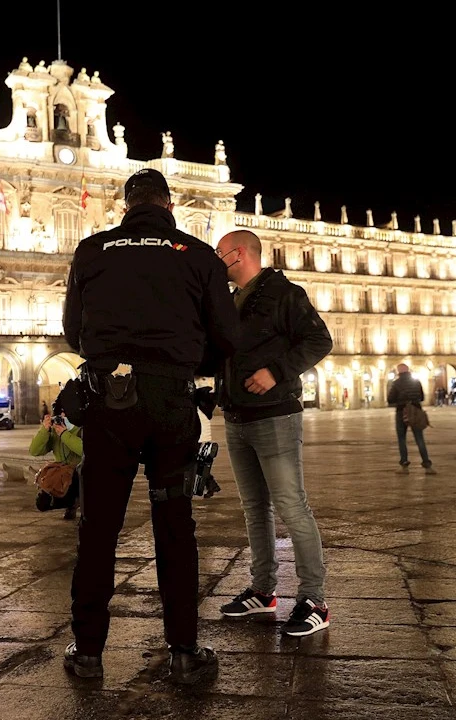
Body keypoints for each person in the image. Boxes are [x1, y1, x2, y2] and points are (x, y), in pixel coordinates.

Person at [62, 168, 239, 684]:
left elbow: (73, 329)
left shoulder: (92, 251)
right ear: (169, 205)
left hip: (109, 402)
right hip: (170, 403)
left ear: (125, 206)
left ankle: (89, 652)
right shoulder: (198, 254)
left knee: (98, 530)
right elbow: (226, 335)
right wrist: (185, 359)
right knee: (174, 526)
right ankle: (184, 651)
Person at [213, 229, 334, 638]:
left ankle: (313, 599)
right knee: (254, 508)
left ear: (240, 254)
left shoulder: (285, 293)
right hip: (237, 416)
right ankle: (263, 591)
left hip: (275, 416)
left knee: (291, 505)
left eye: (220, 254)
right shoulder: (230, 301)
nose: (217, 261)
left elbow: (320, 339)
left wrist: (276, 372)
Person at [31, 401, 83, 520]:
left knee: (79, 478)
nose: (62, 418)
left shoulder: (82, 428)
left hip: (81, 474)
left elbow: (86, 450)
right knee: (42, 502)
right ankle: (72, 503)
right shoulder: (54, 431)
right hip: (62, 476)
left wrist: (65, 434)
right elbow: (34, 451)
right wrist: (44, 430)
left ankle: (78, 503)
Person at [387, 363, 434, 474]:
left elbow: (390, 399)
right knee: (419, 438)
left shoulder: (396, 383)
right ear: (408, 371)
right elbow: (422, 397)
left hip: (402, 412)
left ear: (398, 372)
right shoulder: (416, 382)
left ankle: (404, 465)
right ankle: (427, 465)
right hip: (416, 411)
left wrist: (400, 401)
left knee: (402, 439)